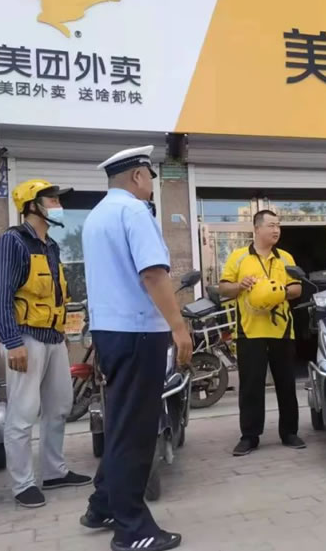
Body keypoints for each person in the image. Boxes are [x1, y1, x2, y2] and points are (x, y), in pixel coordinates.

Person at [78, 146, 192, 551]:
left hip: (110, 332)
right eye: (150, 176)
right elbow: (154, 274)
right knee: (137, 432)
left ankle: (103, 505)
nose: (151, 185)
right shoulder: (134, 212)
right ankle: (133, 529)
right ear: (138, 177)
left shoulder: (96, 216)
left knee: (121, 422)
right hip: (139, 332)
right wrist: (178, 327)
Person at [0, 179, 92, 508]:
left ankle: (54, 471)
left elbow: (56, 295)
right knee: (22, 414)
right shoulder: (12, 242)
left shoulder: (51, 246)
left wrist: (62, 335)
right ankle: (23, 484)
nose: (58, 205)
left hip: (52, 338)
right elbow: (1, 296)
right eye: (52, 199)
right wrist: (12, 341)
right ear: (32, 206)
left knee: (59, 406)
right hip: (24, 338)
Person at [219, 210, 305, 457]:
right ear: (257, 229)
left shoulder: (285, 257)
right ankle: (249, 436)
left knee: (286, 384)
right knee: (251, 386)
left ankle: (289, 432)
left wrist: (276, 293)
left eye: (278, 225)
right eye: (271, 225)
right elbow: (223, 288)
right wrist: (240, 285)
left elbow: (297, 289)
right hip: (249, 331)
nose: (276, 230)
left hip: (282, 330)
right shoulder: (238, 257)